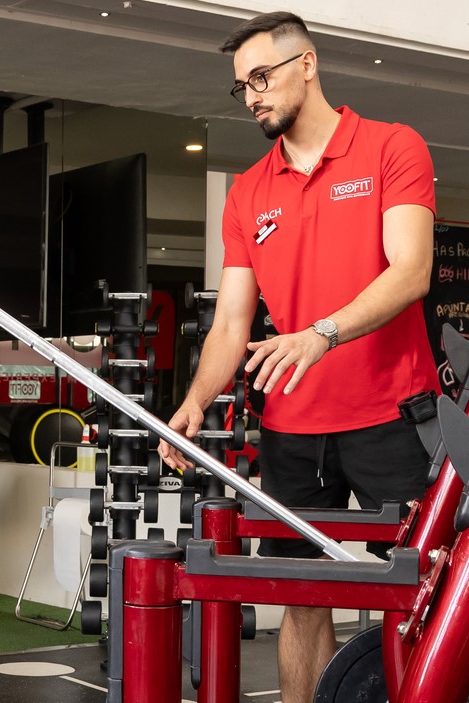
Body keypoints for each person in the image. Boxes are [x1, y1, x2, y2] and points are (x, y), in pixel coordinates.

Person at [156, 12, 439, 703]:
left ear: (306, 64)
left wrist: (321, 333)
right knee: (301, 596)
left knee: (417, 595)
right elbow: (231, 323)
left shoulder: (391, 148)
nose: (251, 96)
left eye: (261, 77)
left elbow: (412, 272)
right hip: (292, 430)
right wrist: (195, 399)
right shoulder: (249, 192)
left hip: (392, 417)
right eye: (241, 87)